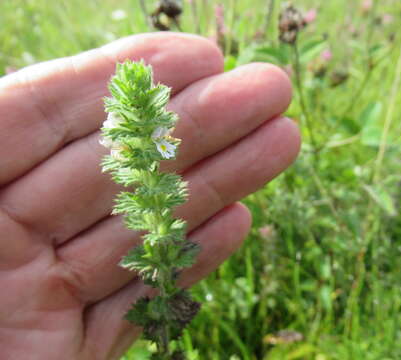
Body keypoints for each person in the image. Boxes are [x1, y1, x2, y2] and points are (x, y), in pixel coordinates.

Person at [0, 32, 300, 359]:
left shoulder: (155, 134)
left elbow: (161, 141)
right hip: (138, 169)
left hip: (152, 177)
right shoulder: (123, 137)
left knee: (171, 277)